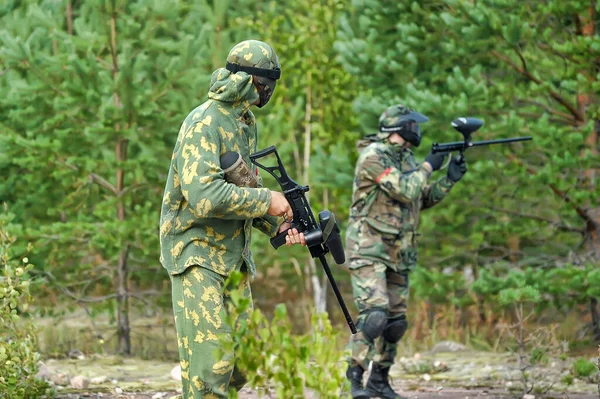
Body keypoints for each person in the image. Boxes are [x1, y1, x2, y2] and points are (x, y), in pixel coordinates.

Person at [159, 39, 306, 399]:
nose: (267, 92)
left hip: (232, 256)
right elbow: (204, 197)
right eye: (265, 84)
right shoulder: (204, 122)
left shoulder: (243, 121)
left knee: (243, 363)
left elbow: (242, 186)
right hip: (196, 252)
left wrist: (281, 221)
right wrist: (267, 200)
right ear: (253, 81)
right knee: (212, 367)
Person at [344, 104, 467, 399]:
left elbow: (419, 199)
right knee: (375, 314)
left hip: (399, 250)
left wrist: (448, 179)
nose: (418, 131)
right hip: (368, 247)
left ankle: (379, 381)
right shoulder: (372, 157)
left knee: (395, 323)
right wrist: (428, 166)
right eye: (414, 125)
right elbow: (405, 189)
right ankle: (354, 379)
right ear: (400, 128)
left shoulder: (407, 158)